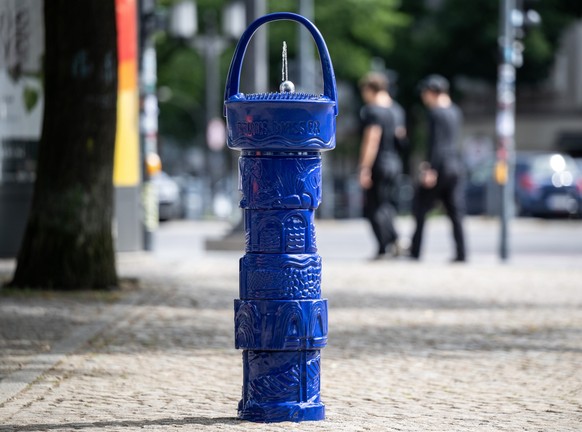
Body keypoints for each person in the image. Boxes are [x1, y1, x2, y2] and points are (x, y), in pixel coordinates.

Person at [409, 74, 466, 262]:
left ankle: (415, 251)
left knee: (420, 207)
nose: (424, 97)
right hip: (455, 166)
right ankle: (462, 253)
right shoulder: (455, 111)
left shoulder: (435, 113)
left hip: (440, 167)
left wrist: (430, 169)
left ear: (432, 92)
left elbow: (436, 143)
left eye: (425, 93)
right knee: (455, 212)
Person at [357, 72, 407, 260]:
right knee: (387, 203)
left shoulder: (373, 111)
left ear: (370, 89)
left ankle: (384, 244)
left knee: (373, 206)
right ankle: (393, 241)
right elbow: (401, 136)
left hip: (378, 163)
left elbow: (372, 139)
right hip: (394, 162)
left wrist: (364, 167)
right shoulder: (397, 110)